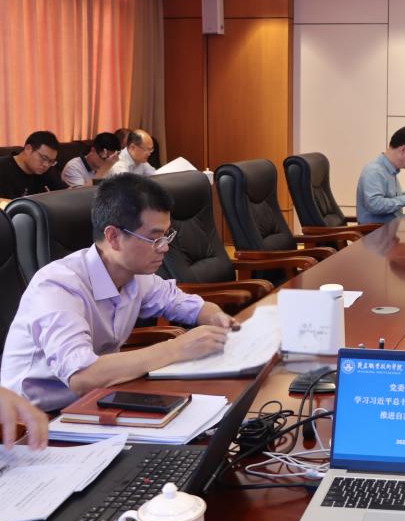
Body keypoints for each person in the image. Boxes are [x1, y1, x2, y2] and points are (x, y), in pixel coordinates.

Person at [1, 174, 237, 411]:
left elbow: (186, 304)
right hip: (33, 419)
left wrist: (216, 316)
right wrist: (177, 349)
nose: (165, 247)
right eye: (154, 238)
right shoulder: (58, 285)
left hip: (98, 399)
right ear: (113, 237)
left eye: (166, 236)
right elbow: (82, 377)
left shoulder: (137, 275)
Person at [355, 126, 405, 224]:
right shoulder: (374, 171)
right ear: (403, 150)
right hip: (375, 231)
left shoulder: (389, 170)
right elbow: (375, 205)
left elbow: (390, 200)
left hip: (390, 228)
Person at [0, 130, 67, 207]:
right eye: (44, 158)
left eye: (51, 161)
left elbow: (65, 192)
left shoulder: (45, 170)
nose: (46, 165)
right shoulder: (3, 167)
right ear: (28, 149)